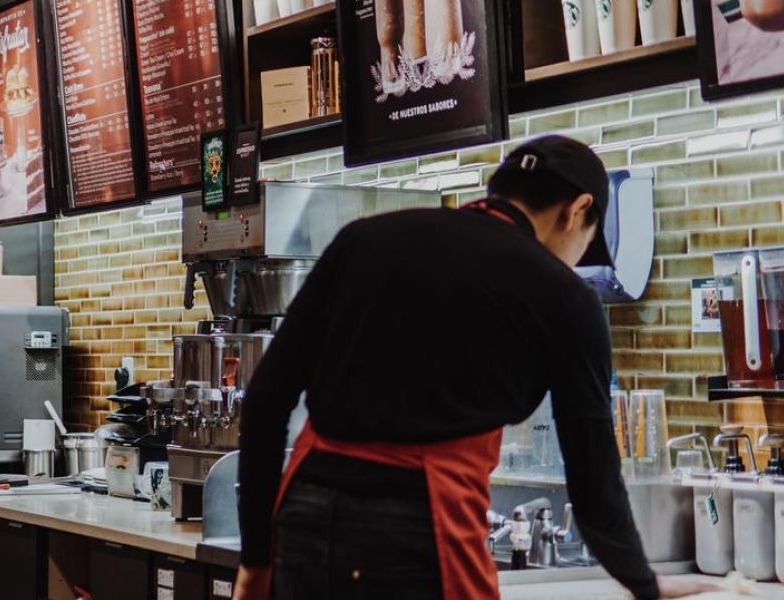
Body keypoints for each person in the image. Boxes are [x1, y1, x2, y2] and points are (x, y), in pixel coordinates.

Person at [233, 136, 718, 600]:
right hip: (418, 527)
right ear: (577, 212)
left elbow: (265, 397)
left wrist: (255, 559)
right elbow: (593, 480)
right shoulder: (566, 297)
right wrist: (643, 582)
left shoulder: (363, 239)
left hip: (303, 513)